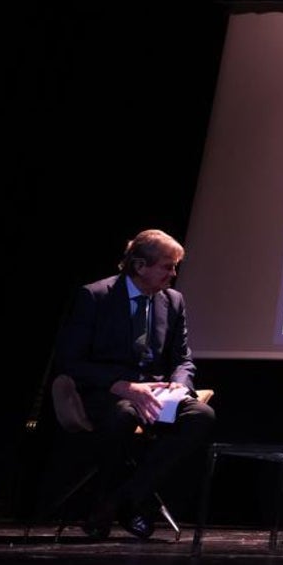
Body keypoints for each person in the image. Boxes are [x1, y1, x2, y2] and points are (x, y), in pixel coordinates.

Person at [55, 229, 216, 540]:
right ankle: (122, 500)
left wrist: (178, 386)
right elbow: (70, 361)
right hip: (109, 391)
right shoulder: (95, 296)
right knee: (123, 415)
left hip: (157, 392)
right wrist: (121, 386)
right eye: (167, 266)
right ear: (140, 266)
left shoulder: (173, 300)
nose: (173, 274)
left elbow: (183, 359)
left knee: (201, 417)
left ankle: (119, 500)